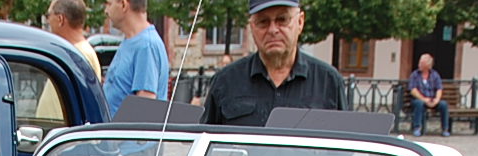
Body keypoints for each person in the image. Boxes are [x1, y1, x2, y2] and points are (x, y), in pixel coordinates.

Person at [199, 0, 344, 127]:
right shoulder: (225, 82)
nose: (273, 30)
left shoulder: (329, 83)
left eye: (282, 19)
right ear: (252, 26)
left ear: (300, 22)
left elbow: (344, 146)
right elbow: (205, 139)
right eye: (263, 22)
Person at [102, 0, 168, 117]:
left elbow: (145, 109)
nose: (106, 11)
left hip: (122, 129)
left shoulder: (146, 46)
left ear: (123, 5)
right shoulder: (131, 41)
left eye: (109, 4)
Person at [36, 0, 99, 121]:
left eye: (49, 15)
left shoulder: (80, 56)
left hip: (61, 130)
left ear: (60, 19)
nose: (48, 21)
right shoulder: (75, 53)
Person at [408, 52, 449, 137]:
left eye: (422, 63)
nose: (419, 64)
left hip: (432, 99)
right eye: (420, 62)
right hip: (419, 99)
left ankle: (445, 129)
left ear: (428, 65)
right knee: (419, 104)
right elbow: (413, 90)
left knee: (443, 104)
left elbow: (439, 89)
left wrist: (436, 100)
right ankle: (417, 128)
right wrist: (424, 99)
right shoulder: (415, 75)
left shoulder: (435, 75)